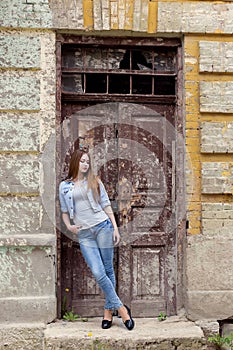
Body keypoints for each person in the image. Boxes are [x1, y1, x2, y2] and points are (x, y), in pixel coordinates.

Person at [59, 147, 135, 330]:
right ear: (75, 162)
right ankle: (122, 309)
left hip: (103, 227)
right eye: (82, 161)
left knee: (108, 269)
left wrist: (115, 228)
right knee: (98, 272)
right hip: (85, 234)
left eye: (87, 161)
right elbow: (63, 211)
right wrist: (69, 226)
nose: (85, 164)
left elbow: (106, 206)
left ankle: (108, 312)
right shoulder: (64, 186)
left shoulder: (95, 181)